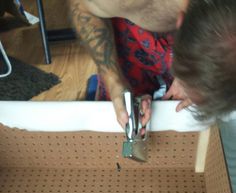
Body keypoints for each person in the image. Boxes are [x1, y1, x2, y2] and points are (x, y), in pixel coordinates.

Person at [69, 0, 236, 128]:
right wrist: (114, 82)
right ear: (181, 23)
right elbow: (81, 6)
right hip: (130, 23)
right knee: (118, 110)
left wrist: (194, 82)